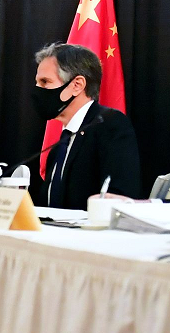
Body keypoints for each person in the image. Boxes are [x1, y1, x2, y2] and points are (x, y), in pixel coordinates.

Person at [32, 42, 140, 209]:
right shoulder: (58, 148)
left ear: (77, 85)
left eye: (45, 82)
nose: (38, 89)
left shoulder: (110, 125)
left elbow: (119, 197)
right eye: (38, 82)